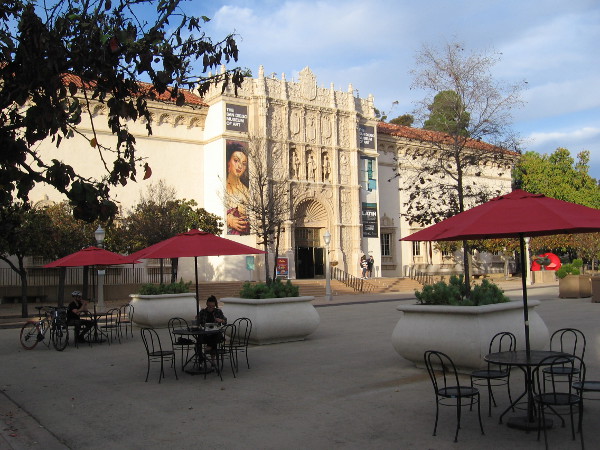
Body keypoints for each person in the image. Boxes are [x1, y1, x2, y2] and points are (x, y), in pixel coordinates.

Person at [226, 141, 250, 235]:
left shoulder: (246, 192)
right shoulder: (221, 186)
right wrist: (227, 220)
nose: (240, 166)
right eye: (236, 160)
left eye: (244, 163)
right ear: (228, 162)